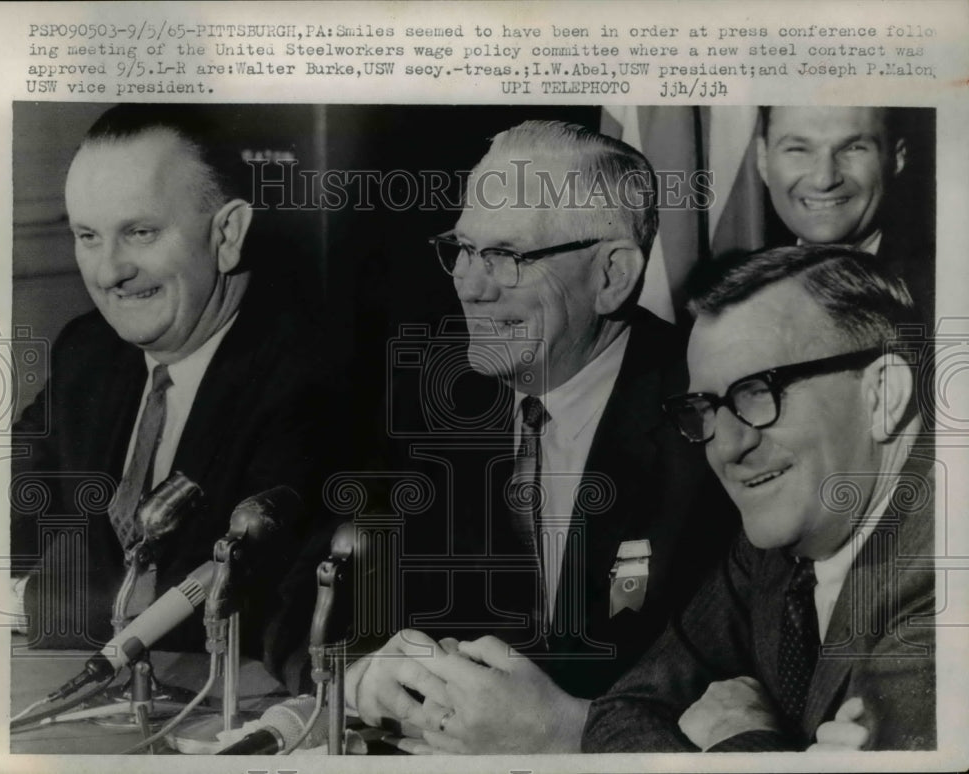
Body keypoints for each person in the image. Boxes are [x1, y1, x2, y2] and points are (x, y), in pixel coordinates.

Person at [344, 120, 738, 753]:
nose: (469, 287)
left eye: (507, 256)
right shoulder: (432, 392)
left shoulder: (713, 417)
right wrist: (367, 674)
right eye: (462, 250)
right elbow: (336, 592)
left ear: (612, 274)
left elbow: (738, 679)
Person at [9, 105, 339, 685]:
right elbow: (8, 500)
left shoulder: (313, 374)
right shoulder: (87, 351)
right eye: (88, 236)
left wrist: (30, 595)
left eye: (140, 232)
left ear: (227, 234)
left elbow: (228, 605)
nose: (108, 272)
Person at [582, 244, 935, 752]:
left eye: (757, 392)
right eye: (704, 407)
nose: (726, 447)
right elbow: (619, 710)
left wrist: (740, 737)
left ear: (884, 395)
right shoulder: (776, 543)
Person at [756, 105, 933, 320]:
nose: (824, 179)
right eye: (798, 149)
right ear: (763, 161)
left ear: (897, 158)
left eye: (853, 148)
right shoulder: (726, 294)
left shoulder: (947, 289)